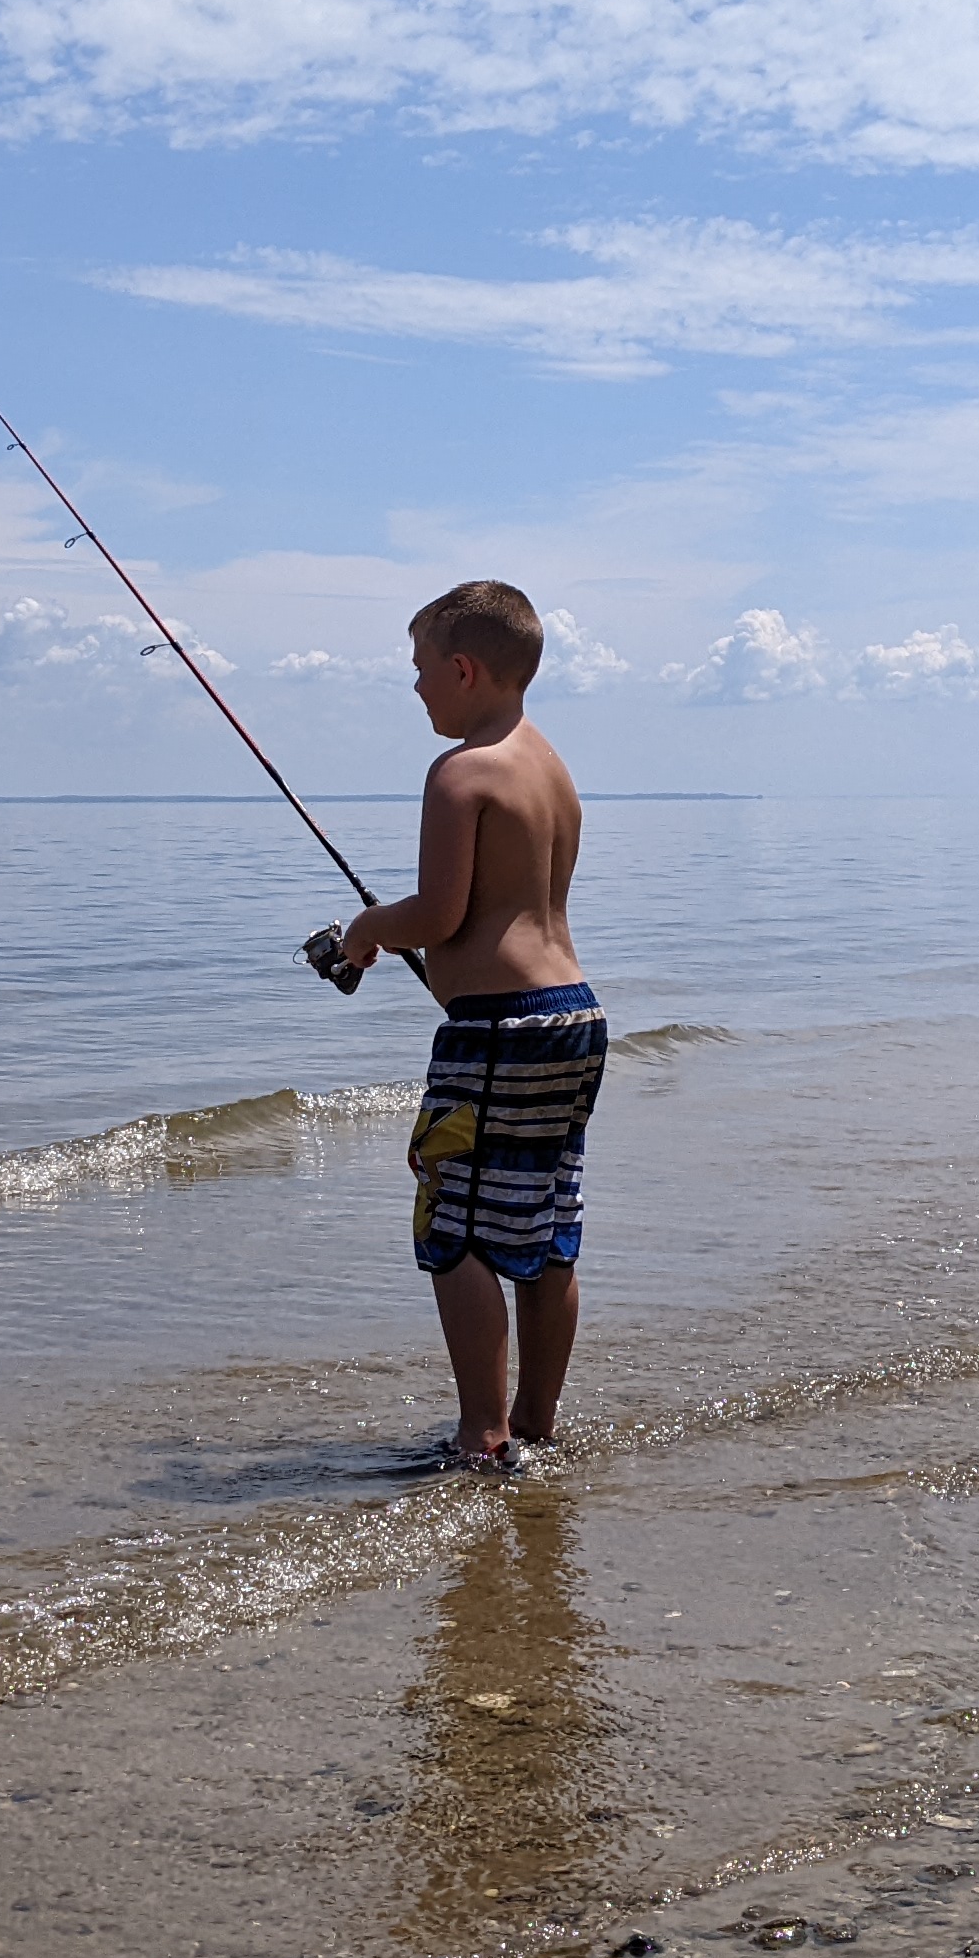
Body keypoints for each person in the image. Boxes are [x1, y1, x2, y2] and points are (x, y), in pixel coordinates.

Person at [339, 581, 603, 1473]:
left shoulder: (460, 773)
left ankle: (481, 1435)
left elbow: (443, 915)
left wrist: (367, 931)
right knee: (543, 1223)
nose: (415, 689)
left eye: (421, 671)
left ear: (463, 669)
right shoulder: (552, 769)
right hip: (573, 1018)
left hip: (498, 1031)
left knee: (448, 1224)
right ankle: (535, 1421)